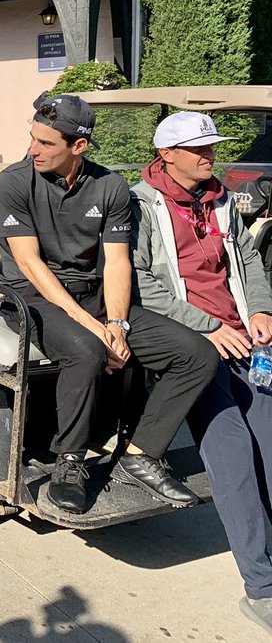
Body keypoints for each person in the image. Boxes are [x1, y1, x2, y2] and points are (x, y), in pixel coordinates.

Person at [0, 93, 215, 514]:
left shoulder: (110, 186)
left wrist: (117, 323)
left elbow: (116, 262)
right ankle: (69, 460)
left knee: (198, 354)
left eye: (45, 143)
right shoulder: (15, 181)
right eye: (32, 138)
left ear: (78, 146)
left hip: (95, 297)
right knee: (86, 351)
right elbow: (29, 262)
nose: (32, 149)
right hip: (31, 297)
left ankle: (139, 452)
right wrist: (97, 330)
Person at [131, 111, 272, 635]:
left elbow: (248, 263)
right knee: (232, 451)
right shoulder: (139, 203)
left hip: (244, 335)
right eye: (200, 148)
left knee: (271, 442)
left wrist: (261, 310)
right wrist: (207, 328)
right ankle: (262, 587)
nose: (211, 155)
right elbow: (139, 282)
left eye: (212, 146)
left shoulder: (220, 201)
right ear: (166, 154)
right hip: (194, 345)